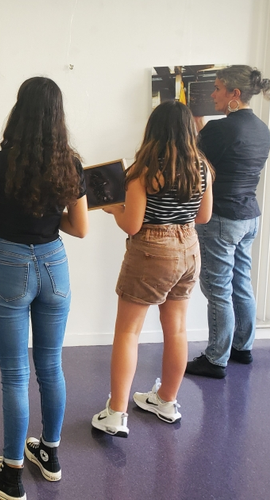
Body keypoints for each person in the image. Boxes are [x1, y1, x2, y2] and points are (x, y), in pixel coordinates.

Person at [0, 77, 88, 500]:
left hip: (11, 263)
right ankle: (49, 454)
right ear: (58, 116)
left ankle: (11, 474)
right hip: (55, 265)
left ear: (19, 110)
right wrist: (49, 217)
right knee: (50, 366)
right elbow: (80, 228)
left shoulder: (0, 163)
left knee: (15, 374)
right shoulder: (71, 164)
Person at [91, 101, 213, 438]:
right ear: (189, 130)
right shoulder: (202, 166)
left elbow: (132, 225)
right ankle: (167, 401)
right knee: (177, 329)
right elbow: (203, 217)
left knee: (128, 332)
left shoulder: (143, 170)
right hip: (189, 248)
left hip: (151, 250)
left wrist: (114, 210)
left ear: (153, 130)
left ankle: (116, 414)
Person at [186, 66, 270, 378]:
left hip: (222, 217)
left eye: (217, 88)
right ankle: (242, 348)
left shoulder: (220, 129)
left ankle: (215, 360)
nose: (213, 94)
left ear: (235, 93)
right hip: (249, 216)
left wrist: (197, 131)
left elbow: (193, 163)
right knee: (241, 282)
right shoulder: (262, 129)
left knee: (218, 288)